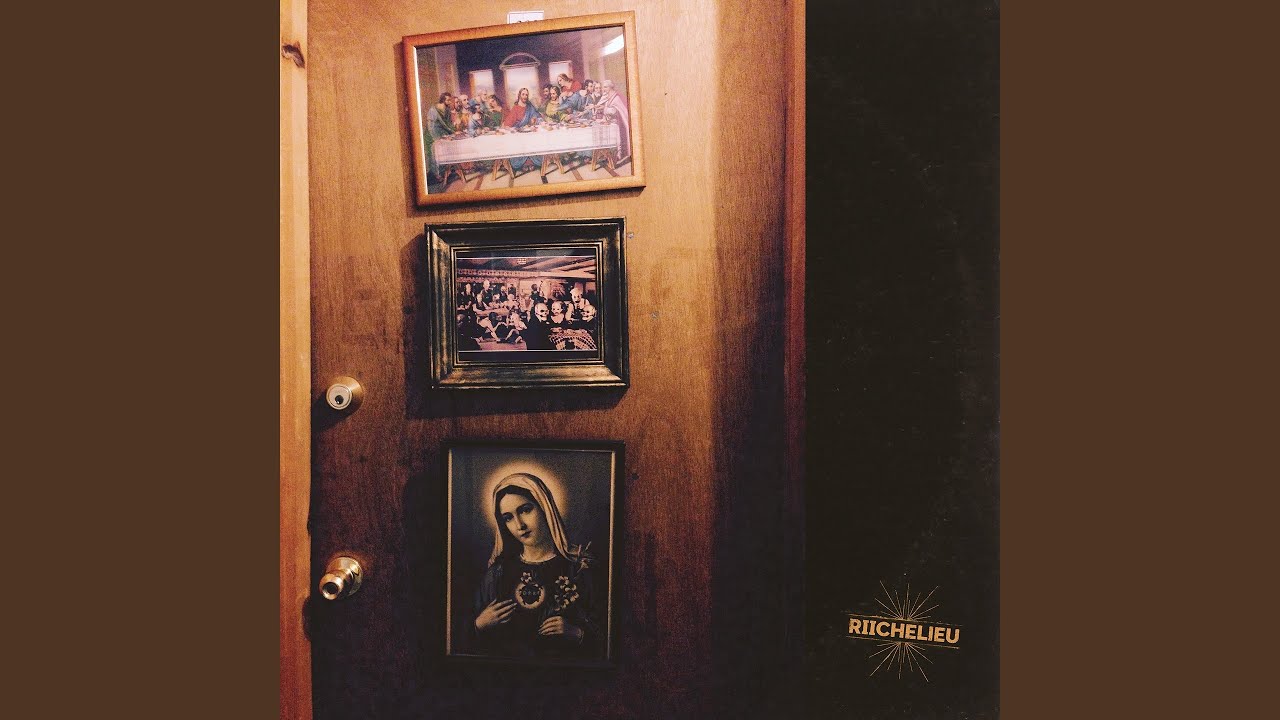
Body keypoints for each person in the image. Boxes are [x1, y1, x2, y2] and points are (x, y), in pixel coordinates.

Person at [472, 473, 600, 659]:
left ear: (544, 507)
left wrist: (577, 634)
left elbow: (608, 639)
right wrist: (479, 625)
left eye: (525, 510)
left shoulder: (579, 569)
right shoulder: (498, 572)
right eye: (508, 518)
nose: (519, 525)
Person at [599, 79, 632, 164]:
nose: (603, 89)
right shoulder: (608, 97)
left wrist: (604, 109)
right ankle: (610, 157)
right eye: (603, 87)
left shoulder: (616, 98)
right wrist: (604, 118)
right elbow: (607, 110)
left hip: (618, 124)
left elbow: (615, 111)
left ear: (610, 87)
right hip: (611, 124)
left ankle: (618, 156)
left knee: (617, 141)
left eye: (605, 87)